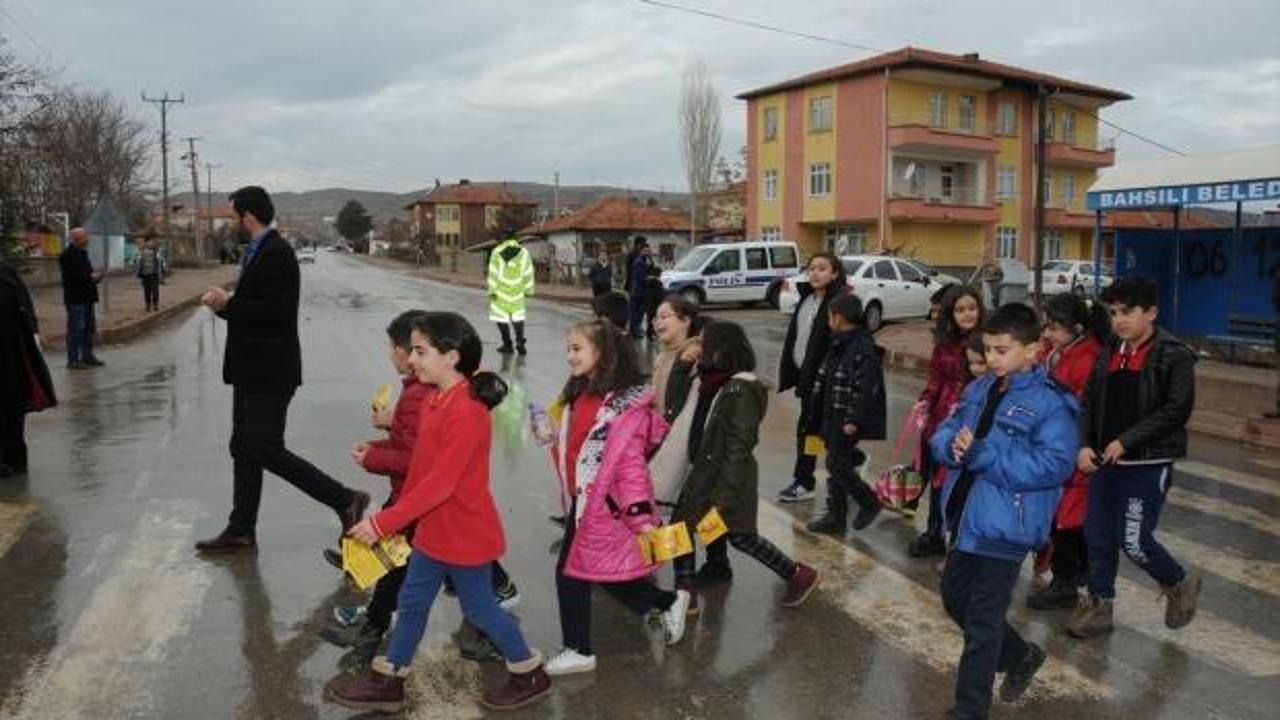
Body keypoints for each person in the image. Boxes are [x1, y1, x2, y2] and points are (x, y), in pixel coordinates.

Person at [329, 312, 551, 713]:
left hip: (463, 533)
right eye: (412, 350)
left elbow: (441, 483)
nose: (412, 360)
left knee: (481, 609)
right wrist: (395, 510)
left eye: (421, 351)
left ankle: (528, 671)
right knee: (412, 602)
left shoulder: (466, 410)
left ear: (451, 356)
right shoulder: (435, 398)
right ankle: (390, 680)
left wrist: (383, 523)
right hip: (433, 530)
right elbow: (420, 470)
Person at [195, 186, 371, 554]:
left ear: (248, 216)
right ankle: (241, 529)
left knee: (265, 448)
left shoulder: (276, 253)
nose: (231, 223)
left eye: (232, 216)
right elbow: (253, 309)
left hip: (269, 370)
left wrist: (230, 303)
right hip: (251, 369)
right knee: (243, 447)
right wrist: (225, 307)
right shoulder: (259, 251)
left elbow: (274, 313)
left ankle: (344, 499)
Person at [931, 303, 1079, 720]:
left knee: (982, 622)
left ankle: (969, 710)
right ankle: (1021, 655)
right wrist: (951, 448)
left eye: (1001, 350)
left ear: (1033, 350)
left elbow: (1056, 465)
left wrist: (983, 455)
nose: (991, 358)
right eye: (988, 350)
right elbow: (946, 429)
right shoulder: (980, 389)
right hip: (966, 518)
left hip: (1007, 525)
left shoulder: (1052, 402)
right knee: (955, 597)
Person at [543, 319, 690, 676]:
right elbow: (577, 447)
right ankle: (667, 601)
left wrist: (641, 518)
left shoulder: (623, 411)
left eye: (576, 349)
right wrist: (548, 434)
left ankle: (579, 649)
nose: (569, 356)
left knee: (570, 573)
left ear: (603, 354)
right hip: (587, 500)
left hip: (604, 507)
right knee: (597, 571)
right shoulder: (582, 393)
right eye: (568, 348)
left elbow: (630, 469)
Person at [1068, 276, 1202, 639]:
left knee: (1134, 540)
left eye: (1128, 312)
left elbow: (1176, 409)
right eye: (1113, 313)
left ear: (1152, 313)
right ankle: (1099, 605)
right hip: (1105, 463)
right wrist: (1084, 444)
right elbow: (1089, 402)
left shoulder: (1173, 354)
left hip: (1147, 463)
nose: (1119, 320)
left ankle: (1178, 582)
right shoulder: (1110, 349)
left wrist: (1126, 442)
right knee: (1096, 536)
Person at [673, 320, 821, 612]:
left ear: (721, 349)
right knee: (680, 526)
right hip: (704, 472)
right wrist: (681, 366)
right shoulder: (709, 380)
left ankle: (799, 574)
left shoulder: (742, 389)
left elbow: (739, 447)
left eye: (704, 343)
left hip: (728, 478)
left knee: (740, 536)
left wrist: (724, 497)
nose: (698, 348)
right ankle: (685, 593)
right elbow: (672, 402)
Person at [1025, 294, 1106, 611]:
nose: (1047, 334)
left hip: (1073, 445)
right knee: (1062, 515)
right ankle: (1075, 574)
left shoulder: (1089, 358)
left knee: (1067, 519)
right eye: (1047, 327)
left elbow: (1086, 407)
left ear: (1078, 328)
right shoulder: (1054, 352)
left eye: (1055, 328)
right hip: (1052, 442)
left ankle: (1066, 582)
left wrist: (1055, 396)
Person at [909, 285, 984, 557]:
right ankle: (934, 531)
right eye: (961, 310)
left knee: (959, 478)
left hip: (971, 415)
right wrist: (926, 401)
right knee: (936, 474)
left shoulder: (988, 341)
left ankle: (959, 535)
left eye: (972, 308)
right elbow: (936, 377)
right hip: (941, 416)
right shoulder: (944, 343)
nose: (967, 314)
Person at [806, 294, 887, 535]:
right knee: (836, 463)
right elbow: (830, 378)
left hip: (847, 417)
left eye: (830, 315)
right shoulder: (839, 342)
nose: (828, 320)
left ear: (838, 317)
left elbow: (864, 389)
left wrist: (853, 420)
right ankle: (836, 516)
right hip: (832, 412)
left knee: (835, 463)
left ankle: (869, 501)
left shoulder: (862, 346)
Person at [777, 253, 849, 502]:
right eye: (812, 268)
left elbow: (845, 344)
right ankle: (810, 479)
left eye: (822, 268)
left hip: (829, 384)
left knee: (820, 432)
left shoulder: (840, 303)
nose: (815, 273)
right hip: (808, 382)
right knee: (813, 431)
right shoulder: (807, 298)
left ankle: (810, 480)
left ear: (835, 273)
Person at [0, 257, 56, 477]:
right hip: (13, 355)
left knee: (11, 407)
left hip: (12, 354)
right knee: (11, 407)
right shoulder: (8, 273)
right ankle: (13, 459)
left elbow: (26, 312)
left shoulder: (7, 273)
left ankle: (11, 460)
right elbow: (27, 312)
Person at [650, 293, 704, 419]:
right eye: (655, 318)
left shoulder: (692, 355)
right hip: (659, 429)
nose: (658, 322)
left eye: (664, 316)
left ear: (685, 321)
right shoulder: (661, 356)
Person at [59, 228, 104, 369]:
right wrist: (90, 277)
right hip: (75, 299)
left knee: (89, 328)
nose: (88, 239)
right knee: (76, 329)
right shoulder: (67, 255)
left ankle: (87, 356)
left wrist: (96, 278)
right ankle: (73, 360)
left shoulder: (83, 254)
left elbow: (86, 274)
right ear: (76, 239)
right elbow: (71, 277)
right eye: (85, 237)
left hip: (87, 297)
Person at [487, 234, 534, 355]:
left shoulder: (497, 252)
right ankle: (520, 341)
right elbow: (528, 272)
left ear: (504, 239)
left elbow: (493, 272)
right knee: (518, 318)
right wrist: (529, 290)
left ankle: (507, 344)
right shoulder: (524, 252)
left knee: (501, 318)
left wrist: (492, 290)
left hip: (501, 291)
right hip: (517, 291)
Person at [627, 240, 655, 339]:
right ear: (641, 251)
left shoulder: (644, 260)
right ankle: (635, 332)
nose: (647, 253)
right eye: (645, 251)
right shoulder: (639, 262)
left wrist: (651, 259)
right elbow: (639, 277)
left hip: (641, 291)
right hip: (638, 291)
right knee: (637, 313)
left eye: (648, 251)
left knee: (638, 312)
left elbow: (652, 268)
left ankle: (634, 331)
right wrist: (649, 278)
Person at [133, 236, 166, 312]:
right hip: (145, 274)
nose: (151, 243)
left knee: (155, 291)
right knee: (147, 291)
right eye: (149, 242)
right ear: (146, 243)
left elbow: (161, 263)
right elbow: (137, 263)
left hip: (154, 274)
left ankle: (155, 304)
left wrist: (161, 273)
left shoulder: (157, 252)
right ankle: (148, 305)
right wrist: (137, 272)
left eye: (152, 242)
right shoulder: (141, 252)